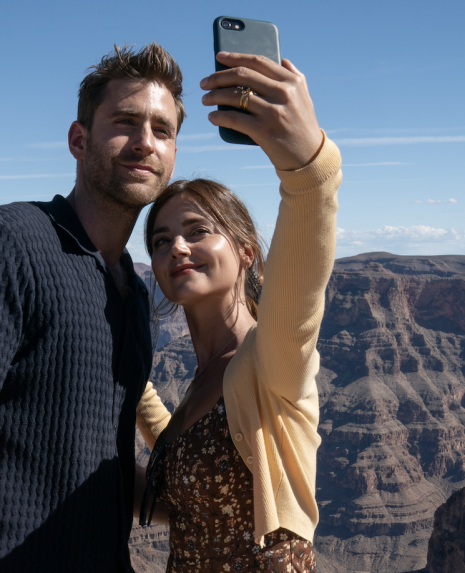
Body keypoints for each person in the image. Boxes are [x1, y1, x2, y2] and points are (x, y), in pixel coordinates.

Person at [0, 43, 184, 573]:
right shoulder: (5, 243)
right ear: (79, 140)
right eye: (125, 121)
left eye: (162, 130)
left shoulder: (132, 289)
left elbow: (104, 463)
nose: (145, 142)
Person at [135, 51, 341, 572]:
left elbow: (303, 279)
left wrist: (308, 169)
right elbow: (185, 467)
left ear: (246, 251)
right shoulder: (206, 381)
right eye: (161, 241)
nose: (177, 247)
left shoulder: (271, 359)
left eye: (198, 231)